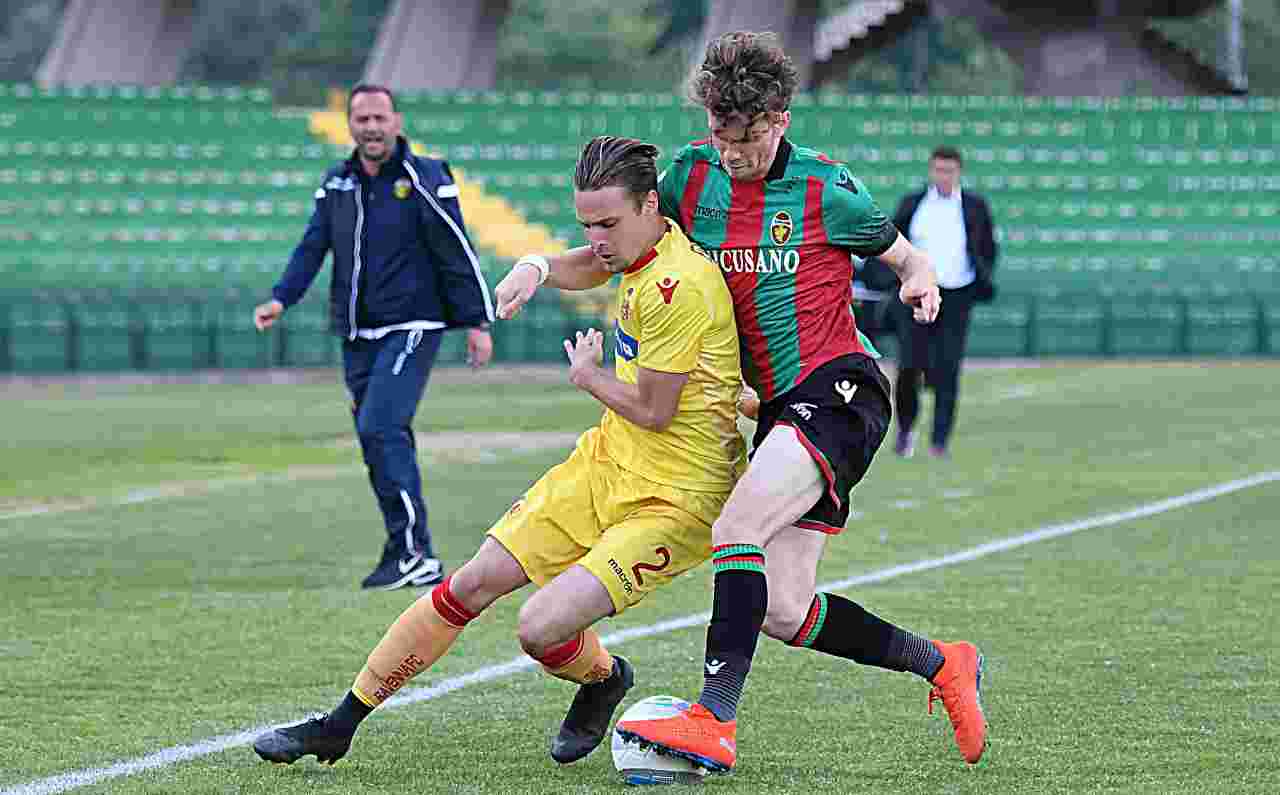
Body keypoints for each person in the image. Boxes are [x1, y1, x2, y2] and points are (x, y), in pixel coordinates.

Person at [501, 32, 987, 773]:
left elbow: (902, 253)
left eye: (749, 138)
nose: (734, 153)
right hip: (779, 412)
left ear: (781, 118)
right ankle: (942, 661)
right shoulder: (692, 177)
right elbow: (614, 248)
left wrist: (921, 277)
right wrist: (537, 266)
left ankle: (714, 718)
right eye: (722, 137)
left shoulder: (826, 186)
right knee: (784, 608)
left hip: (839, 386)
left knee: (737, 526)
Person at [252, 136, 747, 767]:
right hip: (607, 464)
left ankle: (603, 678)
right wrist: (537, 268)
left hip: (678, 499)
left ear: (651, 205)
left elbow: (654, 409)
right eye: (587, 224)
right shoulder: (638, 250)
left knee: (539, 630)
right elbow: (595, 265)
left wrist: (590, 376)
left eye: (608, 223)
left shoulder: (682, 286)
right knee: (473, 581)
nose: (596, 237)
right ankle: (340, 723)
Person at [253, 84, 494, 590]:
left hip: (413, 323)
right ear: (350, 125)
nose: (372, 127)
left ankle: (415, 552)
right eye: (362, 118)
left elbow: (456, 247)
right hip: (357, 331)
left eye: (380, 117)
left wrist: (477, 320)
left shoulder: (424, 175)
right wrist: (282, 297)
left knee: (379, 427)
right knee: (380, 437)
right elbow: (312, 244)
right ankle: (406, 548)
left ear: (397, 120)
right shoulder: (337, 181)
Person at [887, 145, 998, 460]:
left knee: (948, 369)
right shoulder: (913, 204)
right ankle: (906, 429)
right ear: (930, 170)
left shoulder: (975, 207)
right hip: (916, 294)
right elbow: (894, 242)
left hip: (957, 295)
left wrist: (981, 280)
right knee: (909, 367)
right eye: (938, 169)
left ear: (959, 171)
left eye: (949, 170)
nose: (943, 176)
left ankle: (939, 441)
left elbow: (987, 247)